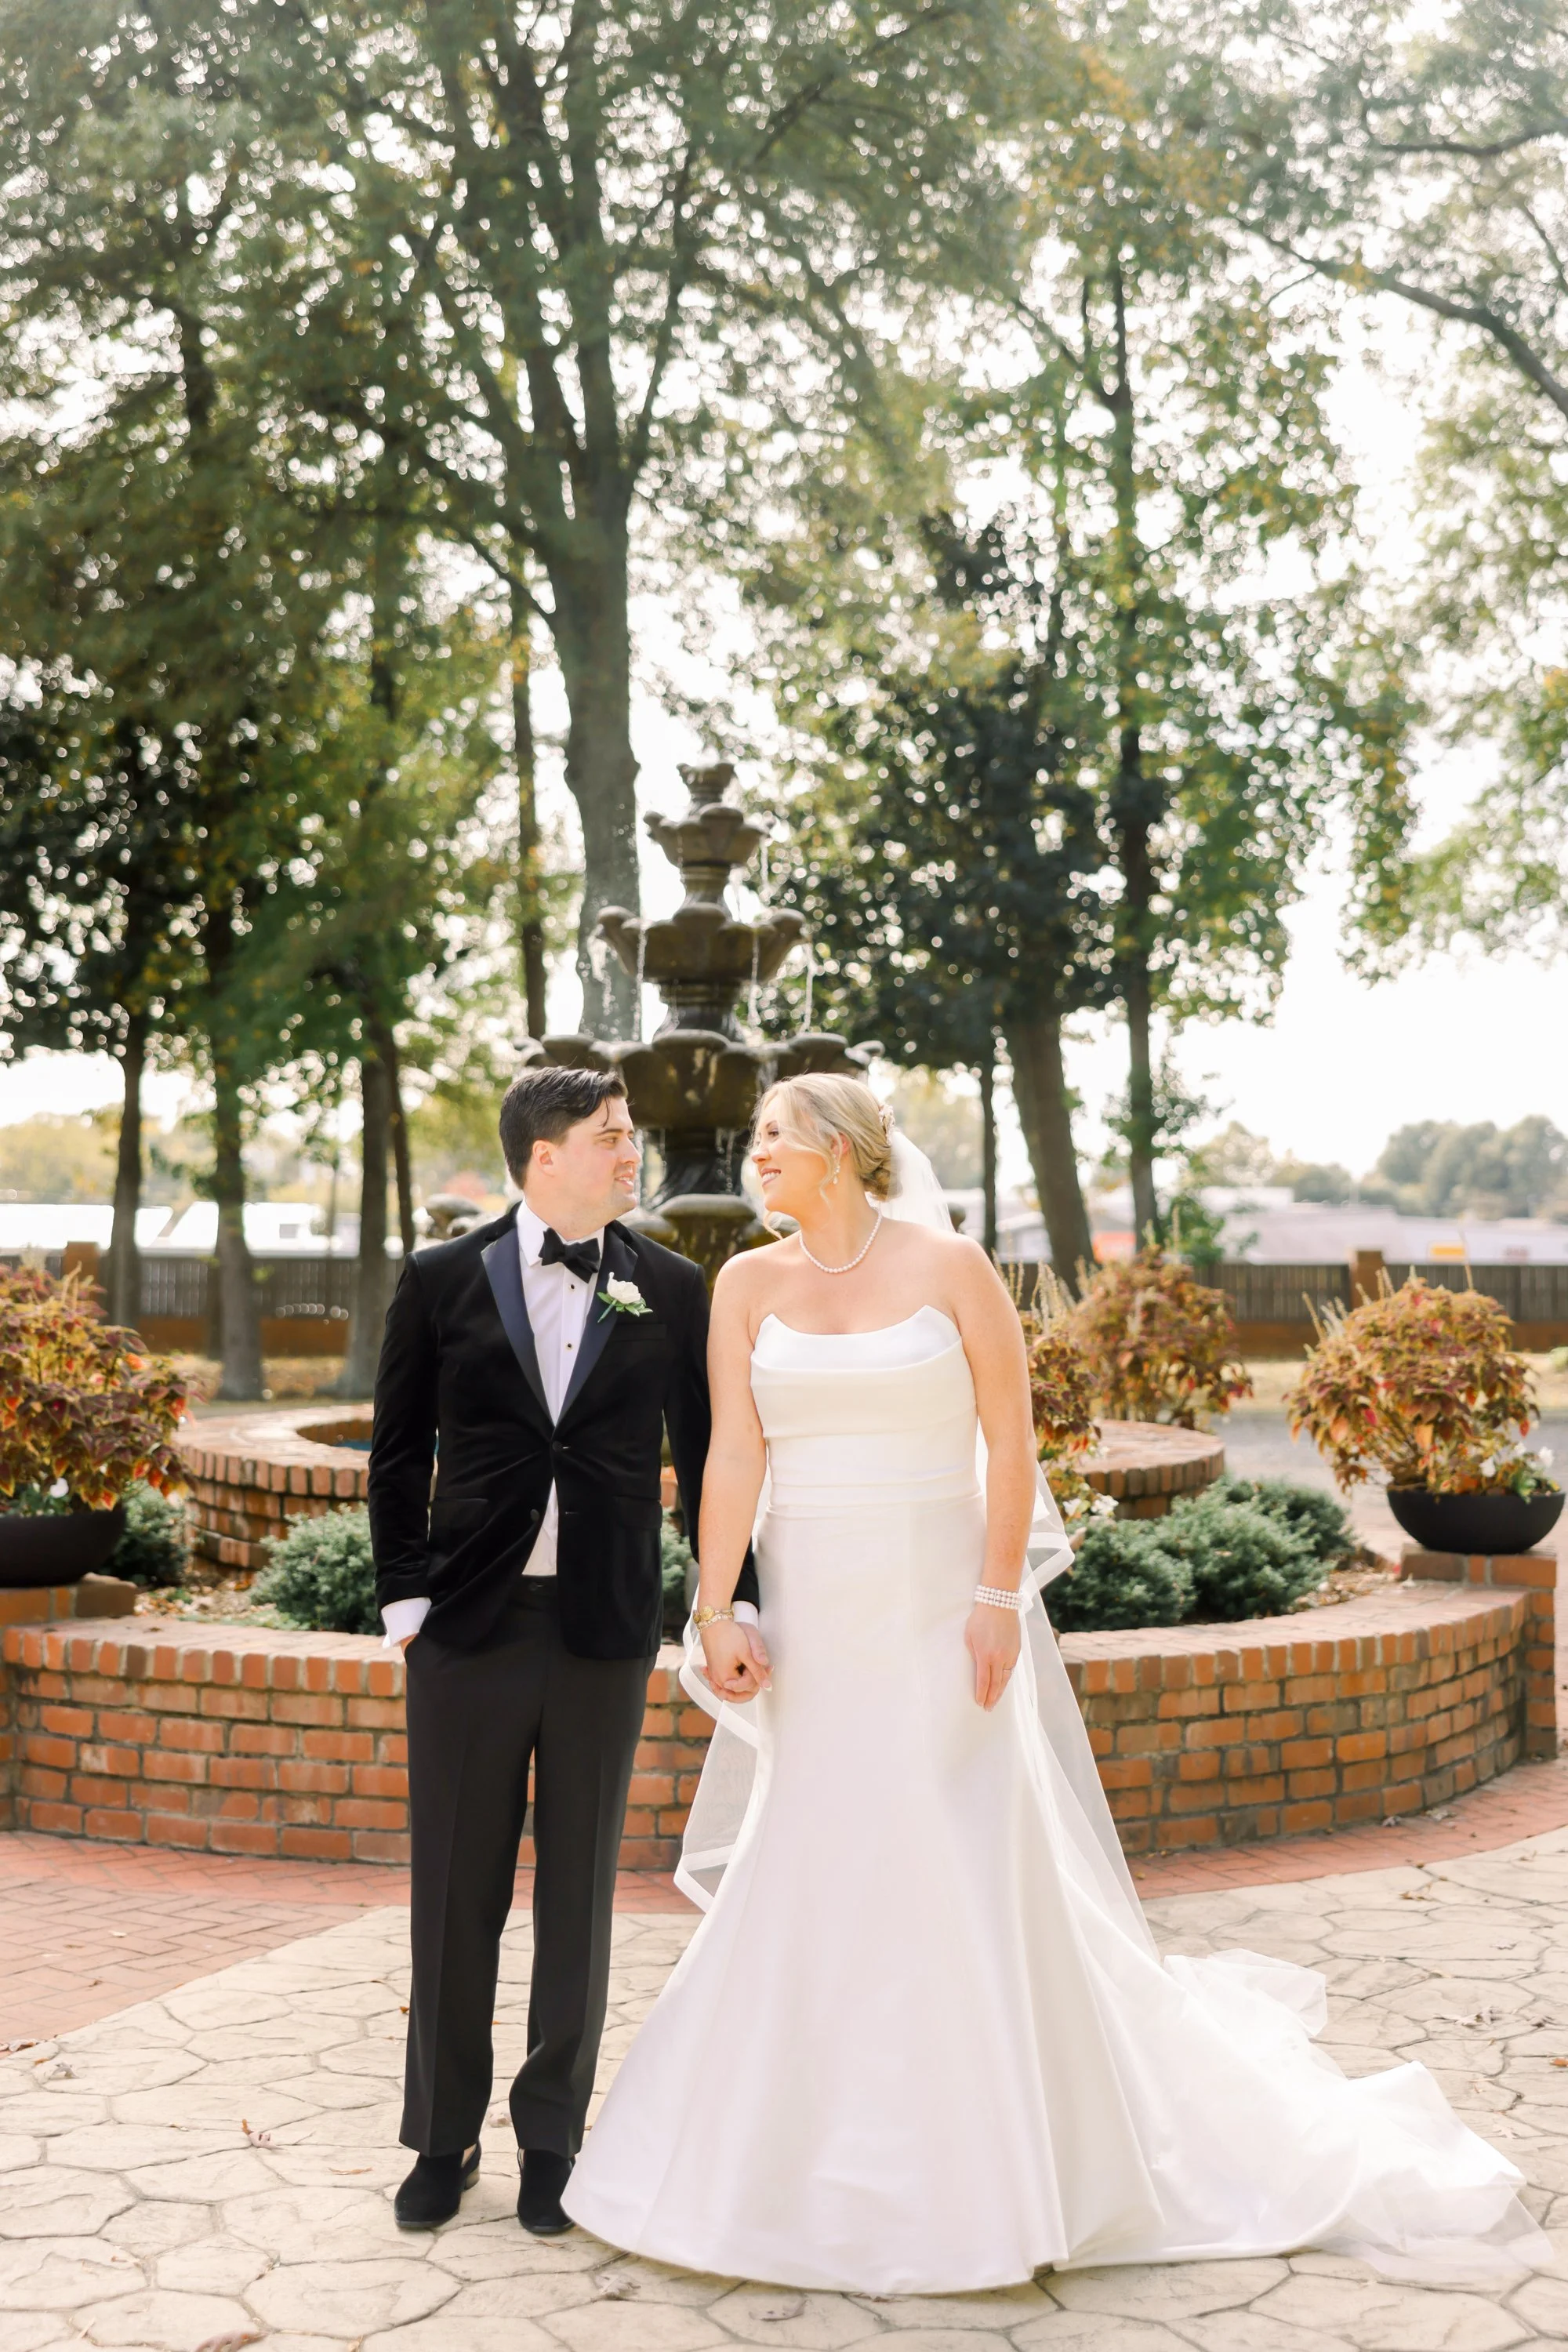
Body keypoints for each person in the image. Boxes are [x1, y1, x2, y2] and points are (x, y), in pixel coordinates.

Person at [561, 1071, 1551, 2292]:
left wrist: (992, 1601)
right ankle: (785, 2157)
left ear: (838, 1151)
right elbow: (733, 1460)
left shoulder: (951, 1267)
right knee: (817, 1845)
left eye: (773, 1137)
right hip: (816, 1613)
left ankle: (1002, 2163)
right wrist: (716, 1608)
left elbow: (1010, 1443)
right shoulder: (747, 1288)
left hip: (935, 1609)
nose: (753, 1155)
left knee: (950, 1841)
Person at [367, 1065, 764, 2235]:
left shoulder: (673, 1286)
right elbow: (396, 1455)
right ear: (545, 1155)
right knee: (456, 1895)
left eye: (630, 1135)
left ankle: (553, 2142)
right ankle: (442, 2142)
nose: (631, 1153)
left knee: (580, 1897)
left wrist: (726, 1603)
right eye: (611, 1137)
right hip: (467, 1635)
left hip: (601, 1629)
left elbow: (711, 1463)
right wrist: (407, 1605)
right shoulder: (441, 1278)